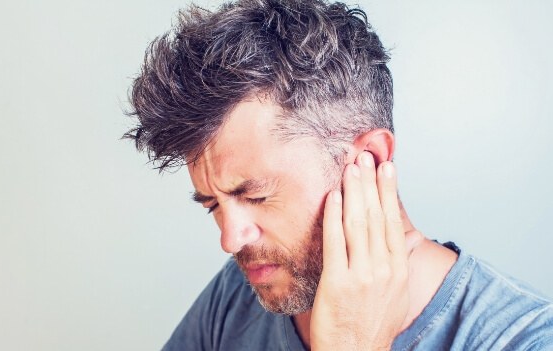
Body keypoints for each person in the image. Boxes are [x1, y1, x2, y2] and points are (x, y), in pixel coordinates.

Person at [125, 0, 553, 349]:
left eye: (255, 197)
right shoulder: (239, 296)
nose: (230, 239)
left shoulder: (525, 339)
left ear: (367, 158)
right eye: (214, 205)